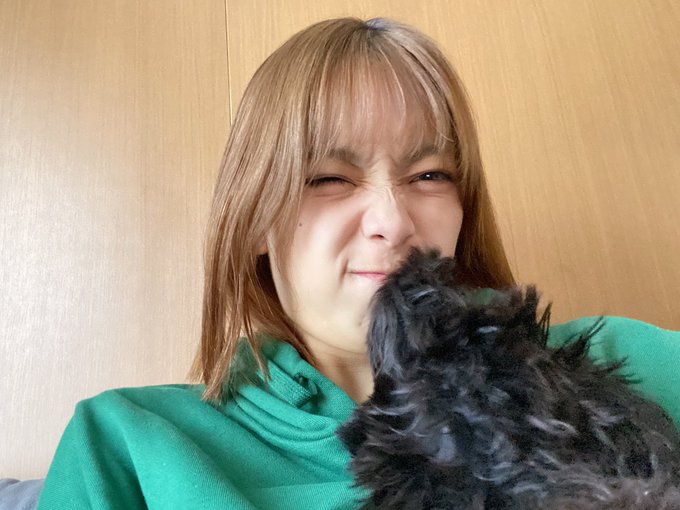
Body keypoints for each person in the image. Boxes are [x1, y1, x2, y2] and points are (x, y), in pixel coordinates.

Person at [37, 17, 680, 509]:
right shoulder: (125, 445)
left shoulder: (629, 361)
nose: (392, 221)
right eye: (328, 178)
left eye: (429, 175)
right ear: (255, 218)